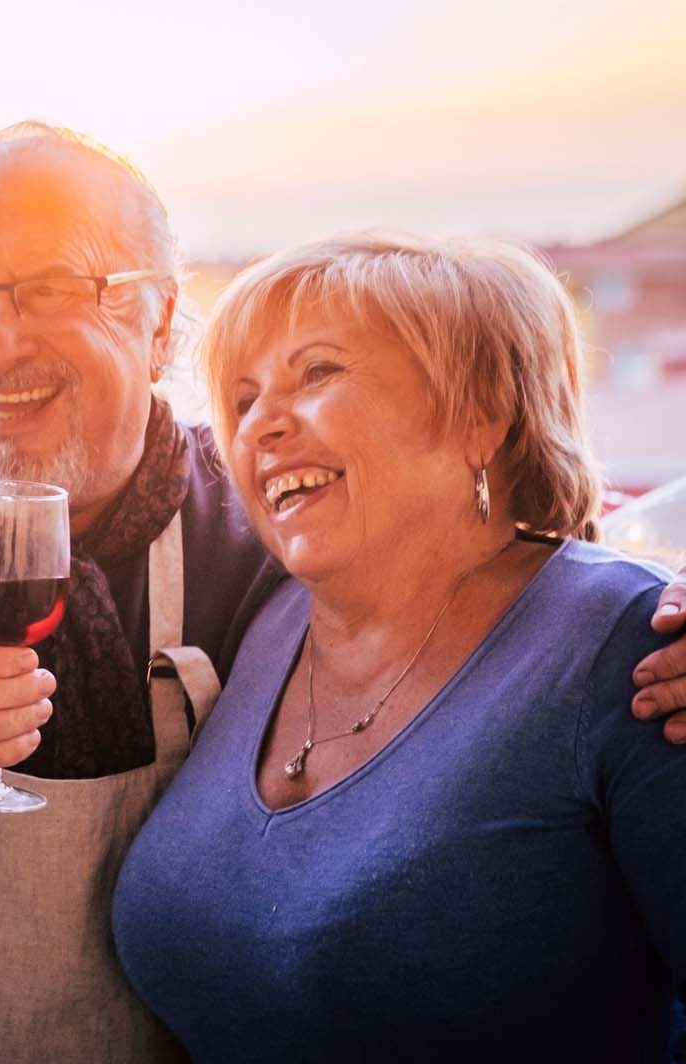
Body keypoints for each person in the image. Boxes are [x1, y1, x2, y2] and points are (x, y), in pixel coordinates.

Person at [0, 123, 686, 1063]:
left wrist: (644, 607)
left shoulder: (273, 537)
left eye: (51, 289)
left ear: (159, 316)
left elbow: (495, 577)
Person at [111, 233, 686, 1061]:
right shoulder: (266, 625)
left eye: (318, 374)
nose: (260, 426)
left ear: (479, 415)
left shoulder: (629, 647)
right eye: (241, 399)